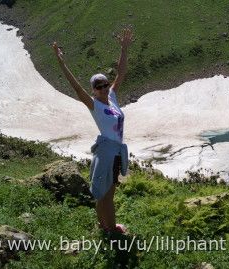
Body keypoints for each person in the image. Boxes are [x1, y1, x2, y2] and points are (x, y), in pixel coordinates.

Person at [52, 27, 133, 234]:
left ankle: (102, 225)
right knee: (108, 194)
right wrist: (61, 63)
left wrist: (124, 49)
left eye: (105, 84)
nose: (104, 88)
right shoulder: (94, 105)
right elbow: (77, 89)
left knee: (103, 192)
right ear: (93, 90)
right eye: (99, 86)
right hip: (108, 152)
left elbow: (121, 73)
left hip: (112, 151)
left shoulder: (112, 97)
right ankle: (112, 230)